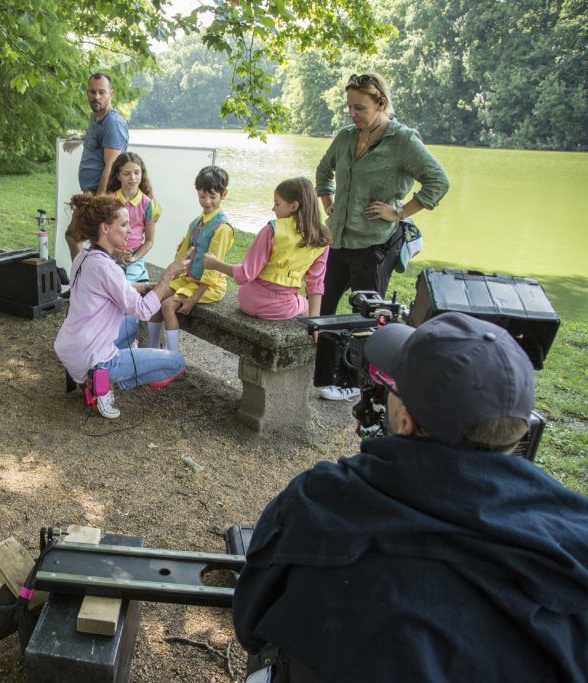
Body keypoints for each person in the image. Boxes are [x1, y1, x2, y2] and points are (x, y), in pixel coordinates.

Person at [232, 312, 588, 681]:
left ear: (406, 422)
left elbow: (250, 623)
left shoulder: (321, 500)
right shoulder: (574, 539)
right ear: (520, 432)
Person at [315, 72, 449, 399]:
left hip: (374, 243)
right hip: (339, 239)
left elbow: (438, 181)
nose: (352, 113)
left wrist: (399, 212)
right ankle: (325, 372)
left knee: (366, 314)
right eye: (348, 106)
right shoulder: (346, 136)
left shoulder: (403, 141)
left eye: (359, 107)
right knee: (324, 307)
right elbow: (323, 169)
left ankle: (356, 383)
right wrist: (328, 200)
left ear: (381, 104)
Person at [54, 195, 188, 419]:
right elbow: (144, 310)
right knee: (176, 362)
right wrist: (168, 276)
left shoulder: (83, 257)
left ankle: (89, 375)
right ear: (105, 228)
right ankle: (99, 382)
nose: (130, 231)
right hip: (92, 355)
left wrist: (146, 285)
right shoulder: (107, 268)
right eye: (124, 225)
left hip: (70, 346)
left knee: (131, 325)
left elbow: (115, 286)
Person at [202, 177, 329, 320]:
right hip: (283, 307)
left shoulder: (272, 229)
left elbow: (245, 274)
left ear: (294, 206)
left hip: (250, 300)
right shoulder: (322, 239)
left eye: (277, 204)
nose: (273, 209)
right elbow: (315, 284)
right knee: (305, 306)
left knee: (299, 303)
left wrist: (216, 264)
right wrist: (315, 321)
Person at [146, 166, 233, 352]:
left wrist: (194, 298)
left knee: (168, 306)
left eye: (212, 196)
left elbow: (212, 269)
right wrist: (168, 279)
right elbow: (182, 255)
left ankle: (172, 358)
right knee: (155, 300)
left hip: (208, 286)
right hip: (189, 280)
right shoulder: (197, 222)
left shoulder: (222, 228)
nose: (207, 201)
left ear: (224, 194)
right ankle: (151, 350)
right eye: (202, 196)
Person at [63, 73, 130, 259]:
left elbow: (110, 166)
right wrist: (81, 138)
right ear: (87, 93)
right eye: (93, 92)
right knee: (80, 238)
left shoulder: (113, 123)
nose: (96, 97)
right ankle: (85, 280)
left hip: (100, 194)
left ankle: (85, 280)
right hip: (89, 192)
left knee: (83, 238)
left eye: (102, 92)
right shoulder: (97, 117)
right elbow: (99, 141)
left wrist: (98, 200)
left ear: (111, 94)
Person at [105, 151, 161, 284]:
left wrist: (134, 258)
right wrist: (116, 253)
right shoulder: (109, 201)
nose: (133, 178)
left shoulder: (149, 204)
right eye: (127, 173)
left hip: (134, 256)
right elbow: (103, 234)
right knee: (108, 282)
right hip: (110, 253)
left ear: (142, 173)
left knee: (125, 284)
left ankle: (140, 278)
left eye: (137, 172)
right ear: (118, 175)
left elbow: (149, 241)